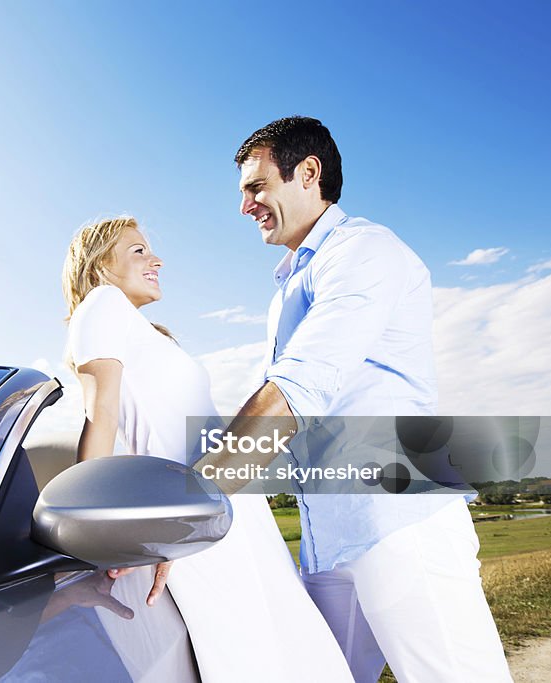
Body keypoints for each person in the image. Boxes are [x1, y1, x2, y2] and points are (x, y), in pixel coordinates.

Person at [196, 116, 512, 682]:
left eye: (255, 187)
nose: (245, 206)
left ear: (308, 173)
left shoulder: (363, 251)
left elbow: (297, 389)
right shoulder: (293, 280)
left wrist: (189, 506)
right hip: (328, 533)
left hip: (395, 519)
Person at [62, 216, 354, 682]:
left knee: (298, 648)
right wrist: (92, 534)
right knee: (251, 657)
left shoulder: (144, 330)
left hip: (233, 503)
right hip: (193, 518)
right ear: (99, 266)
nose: (155, 259)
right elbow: (102, 420)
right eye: (137, 250)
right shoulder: (100, 305)